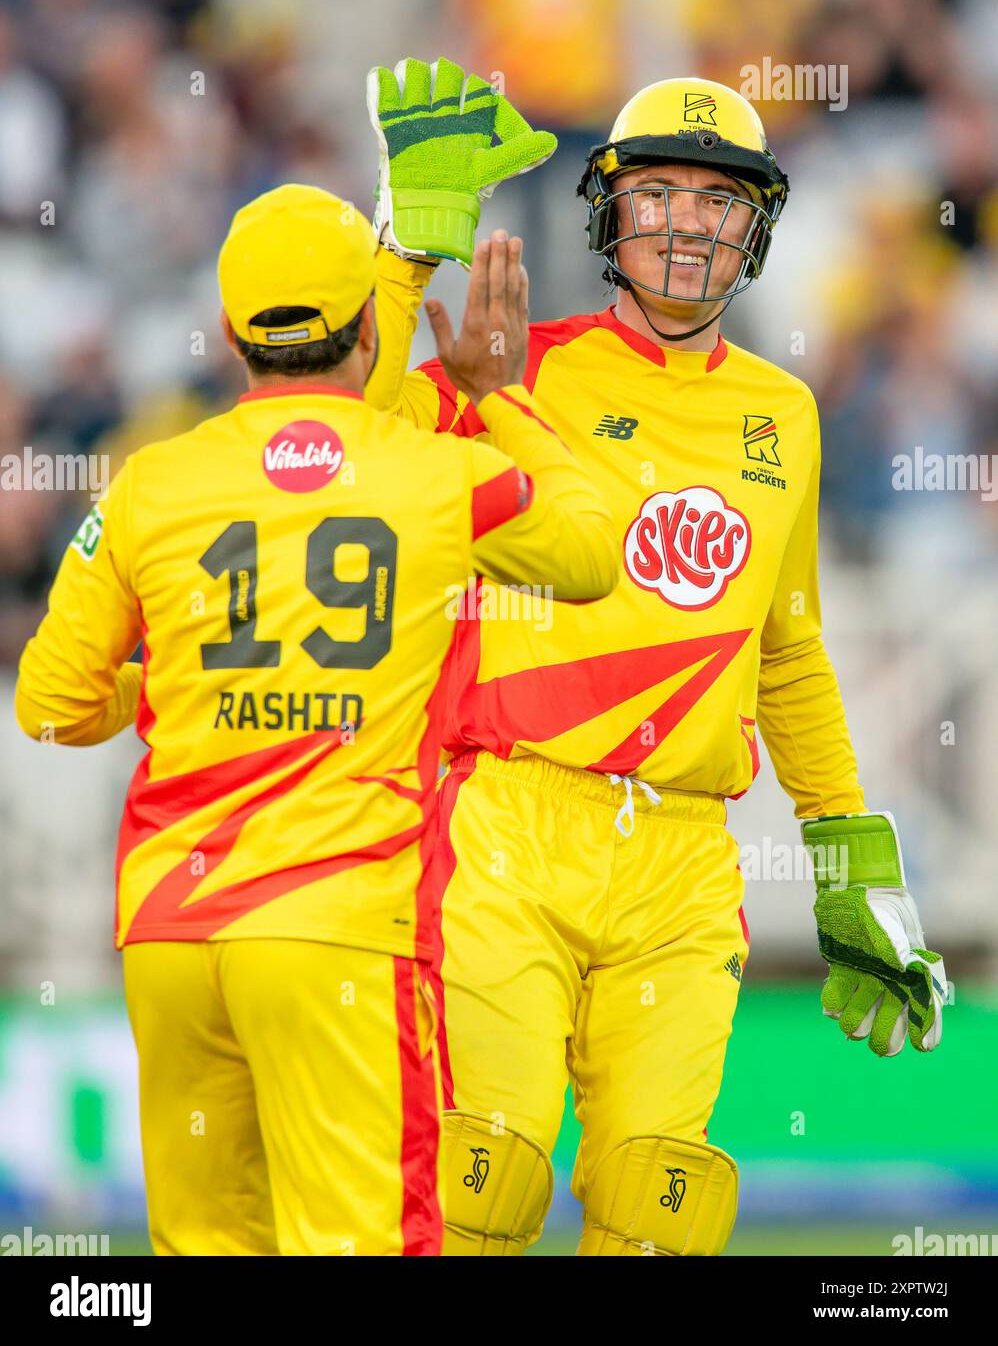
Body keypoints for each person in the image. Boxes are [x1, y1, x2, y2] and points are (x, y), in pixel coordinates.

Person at [365, 62, 949, 1256]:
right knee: (481, 1178)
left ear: (758, 226)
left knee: (657, 1213)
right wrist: (408, 246)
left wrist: (849, 858)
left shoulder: (785, 412)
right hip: (505, 832)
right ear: (607, 212)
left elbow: (786, 653)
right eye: (659, 193)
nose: (687, 223)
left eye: (718, 199)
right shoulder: (517, 361)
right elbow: (351, 442)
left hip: (683, 864)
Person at [14, 183, 618, 1255]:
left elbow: (50, 705)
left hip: (169, 931)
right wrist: (500, 394)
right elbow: (586, 553)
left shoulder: (147, 483)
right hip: (338, 925)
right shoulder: (439, 475)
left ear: (231, 334)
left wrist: (172, 686)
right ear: (372, 326)